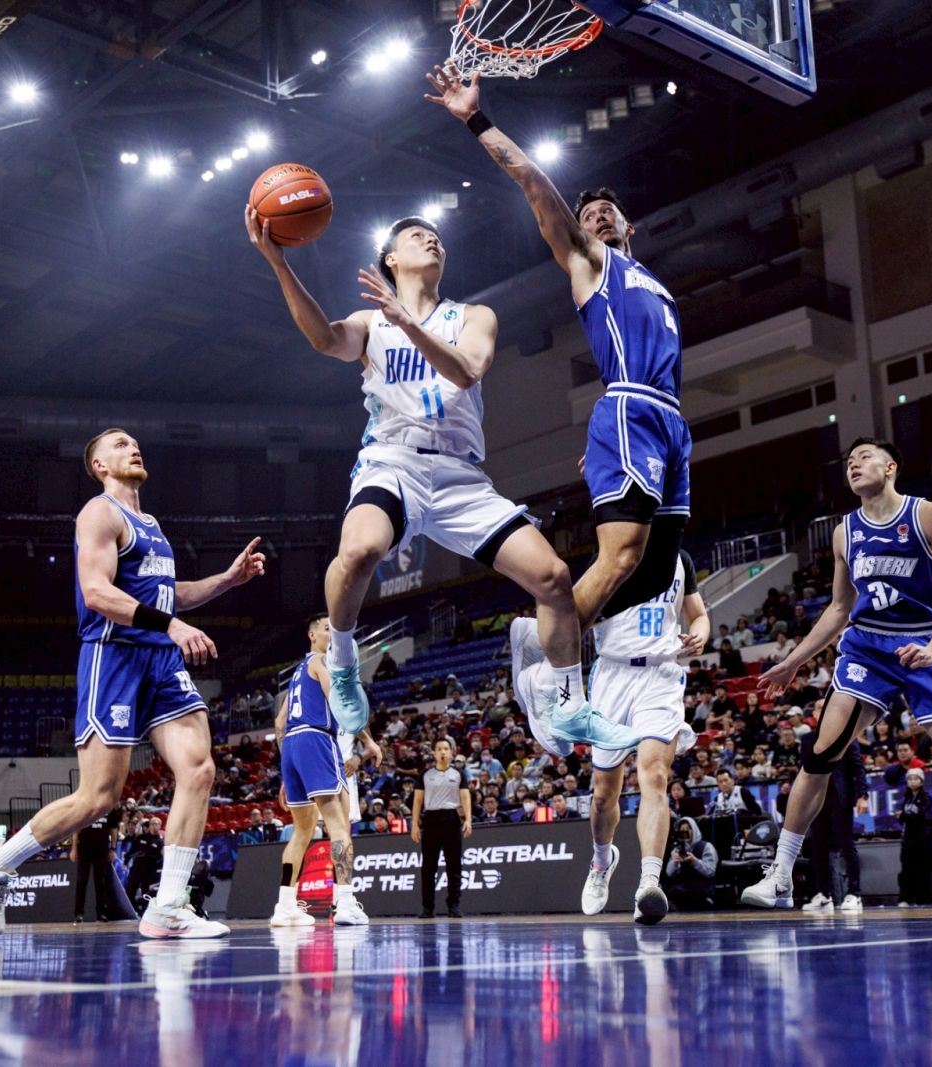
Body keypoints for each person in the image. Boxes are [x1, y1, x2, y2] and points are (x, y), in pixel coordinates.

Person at [246, 204, 628, 756]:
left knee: (554, 577)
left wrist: (409, 325)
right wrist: (279, 263)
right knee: (361, 550)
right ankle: (346, 663)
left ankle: (569, 705)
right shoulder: (371, 322)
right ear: (390, 258)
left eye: (436, 236)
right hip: (392, 461)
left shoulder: (474, 315)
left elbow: (467, 369)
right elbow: (325, 341)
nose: (431, 240)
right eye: (416, 235)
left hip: (457, 475)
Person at [425, 65, 694, 746]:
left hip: (666, 422)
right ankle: (552, 674)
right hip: (631, 408)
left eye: (608, 210)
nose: (598, 214)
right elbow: (533, 184)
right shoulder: (589, 263)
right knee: (623, 551)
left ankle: (542, 637)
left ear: (630, 224)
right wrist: (477, 119)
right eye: (587, 213)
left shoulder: (651, 281)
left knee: (650, 569)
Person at [0, 428, 267, 940]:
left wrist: (225, 581)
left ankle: (168, 906)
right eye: (120, 444)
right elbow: (97, 593)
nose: (133, 447)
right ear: (100, 465)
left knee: (199, 769)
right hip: (115, 657)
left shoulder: (152, 525)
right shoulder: (99, 514)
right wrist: (170, 625)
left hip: (159, 661)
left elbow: (171, 597)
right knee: (99, 798)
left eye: (134, 442)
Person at [741, 438, 932, 917]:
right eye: (848, 462)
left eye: (864, 457)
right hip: (867, 647)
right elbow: (838, 608)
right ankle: (781, 874)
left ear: (891, 466)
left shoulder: (927, 515)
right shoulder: (843, 532)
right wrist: (794, 661)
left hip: (923, 645)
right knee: (822, 754)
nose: (853, 465)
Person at [561, 548, 706, 925]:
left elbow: (699, 615)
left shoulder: (680, 558)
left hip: (660, 676)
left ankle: (648, 885)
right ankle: (601, 860)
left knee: (655, 775)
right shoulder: (610, 558)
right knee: (604, 793)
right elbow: (574, 619)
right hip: (613, 676)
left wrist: (700, 635)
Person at [269, 615, 368, 928]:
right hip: (316, 738)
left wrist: (289, 771)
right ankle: (345, 902)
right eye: (327, 628)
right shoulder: (321, 662)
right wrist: (370, 742)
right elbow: (339, 701)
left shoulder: (296, 673)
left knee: (302, 831)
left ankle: (284, 906)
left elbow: (278, 724)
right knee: (338, 824)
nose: (332, 632)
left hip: (293, 747)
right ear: (312, 635)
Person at [798, 735, 867, 915]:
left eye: (824, 706)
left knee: (846, 844)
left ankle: (854, 893)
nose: (821, 710)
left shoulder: (847, 736)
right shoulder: (807, 740)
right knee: (818, 847)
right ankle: (824, 894)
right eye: (818, 707)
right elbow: (804, 770)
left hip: (840, 797)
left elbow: (858, 766)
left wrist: (863, 794)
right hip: (817, 798)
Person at [412, 737, 473, 918]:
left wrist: (468, 820)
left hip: (451, 819)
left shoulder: (458, 774)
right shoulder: (425, 775)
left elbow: (466, 797)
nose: (443, 752)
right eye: (439, 749)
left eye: (446, 749)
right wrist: (414, 824)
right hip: (431, 820)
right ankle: (427, 907)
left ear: (451, 752)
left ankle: (453, 906)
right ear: (434, 752)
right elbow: (417, 801)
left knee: (454, 866)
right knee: (428, 867)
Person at [896, 767, 932, 905]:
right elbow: (905, 818)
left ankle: (923, 898)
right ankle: (906, 898)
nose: (913, 782)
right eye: (910, 779)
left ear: (921, 781)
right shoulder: (907, 799)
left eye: (916, 779)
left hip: (922, 839)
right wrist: (901, 816)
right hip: (908, 839)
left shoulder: (927, 799)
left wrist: (904, 816)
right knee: (906, 870)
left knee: (922, 870)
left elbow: (923, 817)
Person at [662, 817, 718, 911]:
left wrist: (694, 861)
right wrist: (675, 862)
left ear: (694, 830)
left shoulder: (706, 847)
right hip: (684, 887)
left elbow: (710, 871)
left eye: (687, 829)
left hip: (702, 889)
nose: (684, 832)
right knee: (670, 890)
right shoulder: (678, 849)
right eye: (682, 830)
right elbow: (669, 873)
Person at [73, 807, 117, 923]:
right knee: (81, 881)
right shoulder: (83, 808)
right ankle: (79, 913)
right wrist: (73, 849)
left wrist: (113, 848)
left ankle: (101, 913)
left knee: (101, 882)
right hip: (84, 850)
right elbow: (76, 829)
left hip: (102, 850)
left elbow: (113, 829)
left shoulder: (109, 808)